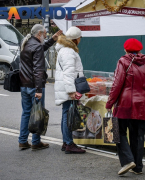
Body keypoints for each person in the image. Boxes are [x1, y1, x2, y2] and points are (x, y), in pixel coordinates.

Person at [106, 38, 145, 175]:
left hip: (124, 104)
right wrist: (142, 97)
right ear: (140, 50)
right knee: (138, 135)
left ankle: (127, 161)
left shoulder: (123, 61)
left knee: (117, 132)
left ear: (126, 49)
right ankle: (137, 167)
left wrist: (110, 102)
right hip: (141, 106)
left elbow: (117, 84)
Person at [19, 24, 62, 151]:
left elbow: (40, 48)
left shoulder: (26, 43)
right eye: (44, 34)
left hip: (24, 85)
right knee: (37, 114)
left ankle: (22, 141)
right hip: (34, 86)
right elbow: (38, 70)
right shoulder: (36, 46)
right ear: (39, 34)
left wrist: (52, 39)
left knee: (26, 113)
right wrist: (38, 90)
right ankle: (36, 142)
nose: (45, 36)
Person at [54, 26, 86, 154]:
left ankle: (66, 142)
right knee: (68, 114)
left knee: (66, 113)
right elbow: (68, 73)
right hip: (68, 87)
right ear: (76, 38)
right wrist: (71, 91)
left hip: (65, 86)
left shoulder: (65, 50)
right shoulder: (68, 51)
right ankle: (68, 143)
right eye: (80, 38)